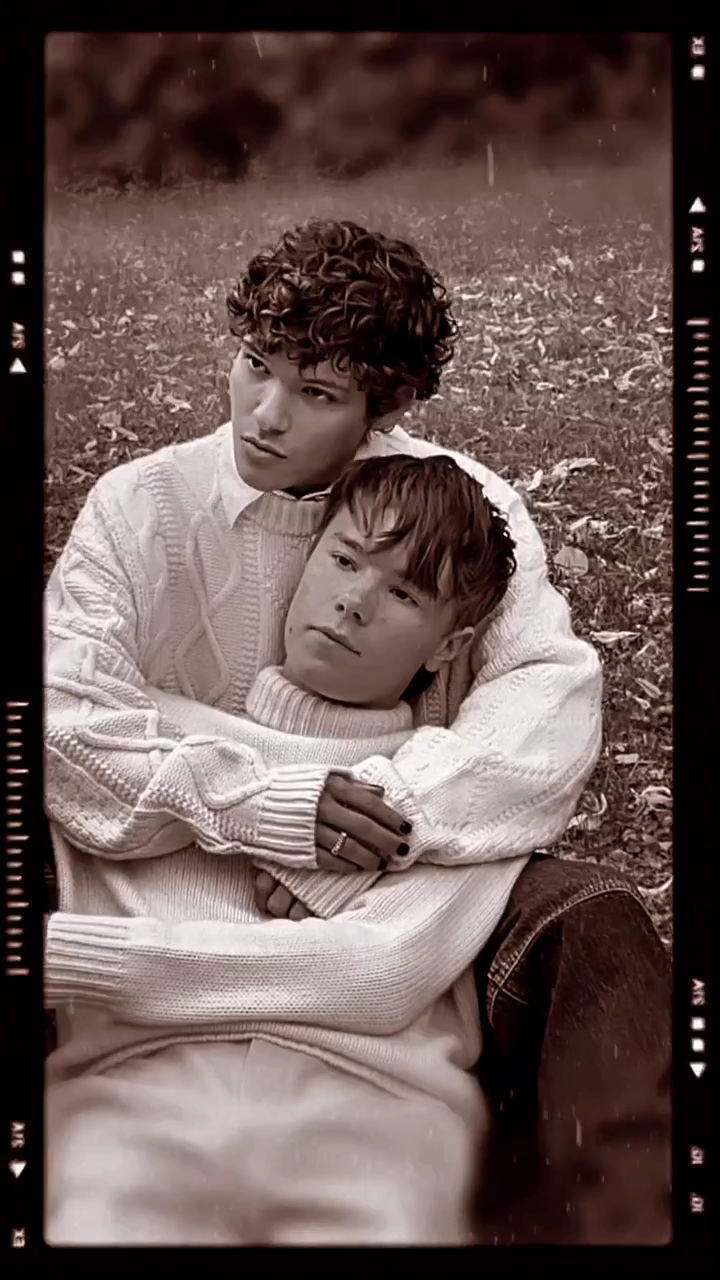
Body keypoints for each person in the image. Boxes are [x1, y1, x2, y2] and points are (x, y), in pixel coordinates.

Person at [44, 218, 669, 1243]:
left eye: (318, 393)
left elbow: (548, 701)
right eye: (255, 364)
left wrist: (385, 817)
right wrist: (271, 807)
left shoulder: (455, 509)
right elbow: (63, 717)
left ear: (388, 409)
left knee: (591, 918)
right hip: (153, 874)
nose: (265, 415)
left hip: (398, 886)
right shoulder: (138, 507)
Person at [46, 452, 530, 1245]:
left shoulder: (450, 795)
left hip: (375, 1124)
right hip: (133, 1107)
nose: (353, 602)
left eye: (403, 593)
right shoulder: (140, 743)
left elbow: (376, 974)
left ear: (450, 647)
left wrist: (69, 958)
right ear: (306, 557)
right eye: (344, 560)